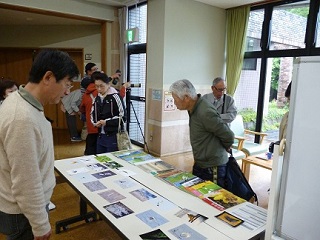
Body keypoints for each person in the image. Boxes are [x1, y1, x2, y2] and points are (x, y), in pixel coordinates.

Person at [0, 49, 79, 240]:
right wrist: (40, 224)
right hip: (23, 213)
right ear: (48, 77)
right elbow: (26, 180)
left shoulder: (24, 102)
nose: (68, 91)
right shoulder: (22, 117)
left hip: (24, 208)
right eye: (67, 84)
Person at [169, 79, 234, 188]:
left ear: (186, 97)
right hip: (201, 163)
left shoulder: (205, 111)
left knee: (213, 199)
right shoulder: (194, 107)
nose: (174, 102)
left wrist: (227, 146)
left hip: (213, 166)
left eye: (175, 99)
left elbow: (228, 135)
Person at [90, 71, 126, 154]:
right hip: (100, 135)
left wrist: (106, 122)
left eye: (101, 86)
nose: (99, 89)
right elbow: (92, 113)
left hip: (113, 135)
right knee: (100, 159)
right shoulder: (97, 98)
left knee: (112, 160)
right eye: (96, 86)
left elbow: (123, 117)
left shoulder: (115, 96)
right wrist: (95, 123)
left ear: (108, 84)